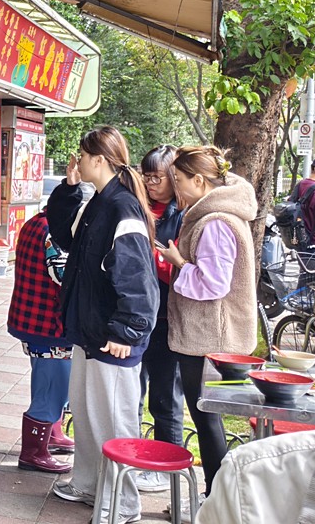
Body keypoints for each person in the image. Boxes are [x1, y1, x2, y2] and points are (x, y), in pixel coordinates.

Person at [46, 126, 159, 524]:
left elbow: (137, 280)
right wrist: (68, 188)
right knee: (89, 413)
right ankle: (90, 484)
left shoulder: (121, 208)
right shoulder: (97, 203)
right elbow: (62, 235)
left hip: (113, 337)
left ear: (99, 159)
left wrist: (125, 332)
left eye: (81, 154)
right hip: (90, 330)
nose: (75, 159)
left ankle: (123, 504)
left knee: (114, 420)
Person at [158, 146, 258, 521]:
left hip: (209, 341)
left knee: (207, 421)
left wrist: (178, 263)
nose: (178, 189)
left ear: (200, 180)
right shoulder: (222, 214)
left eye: (180, 181)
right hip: (214, 339)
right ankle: (218, 500)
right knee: (208, 420)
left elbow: (213, 283)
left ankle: (217, 502)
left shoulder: (215, 220)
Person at [134, 145, 186, 493]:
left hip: (167, 316)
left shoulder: (182, 214)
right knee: (131, 394)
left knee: (165, 397)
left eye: (159, 177)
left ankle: (167, 469)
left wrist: (161, 261)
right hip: (137, 314)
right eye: (147, 176)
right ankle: (136, 458)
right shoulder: (138, 206)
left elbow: (184, 269)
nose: (152, 183)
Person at [7, 208, 73, 474]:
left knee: (50, 383)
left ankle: (52, 435)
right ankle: (34, 452)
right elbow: (64, 276)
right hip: (49, 325)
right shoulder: (54, 232)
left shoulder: (36, 222)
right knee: (51, 388)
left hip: (34, 321)